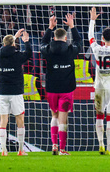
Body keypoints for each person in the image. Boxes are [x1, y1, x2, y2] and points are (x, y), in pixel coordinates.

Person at [87, 7, 110, 155]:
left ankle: (101, 145)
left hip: (99, 87)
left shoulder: (96, 48)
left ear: (102, 38)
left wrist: (92, 20)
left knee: (99, 115)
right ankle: (109, 148)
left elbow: (90, 36)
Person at [41, 13, 81, 155]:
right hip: (66, 89)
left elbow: (42, 43)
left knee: (54, 116)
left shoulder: (47, 50)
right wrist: (72, 26)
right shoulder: (70, 50)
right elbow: (78, 41)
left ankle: (54, 145)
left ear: (54, 37)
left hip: (52, 88)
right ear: (65, 38)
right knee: (63, 118)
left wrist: (49, 28)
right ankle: (63, 148)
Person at [0, 28, 32, 156]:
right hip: (16, 92)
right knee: (20, 119)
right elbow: (28, 53)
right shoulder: (17, 56)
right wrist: (26, 41)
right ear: (14, 44)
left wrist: (13, 39)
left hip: (2, 92)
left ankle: (3, 151)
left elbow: (4, 48)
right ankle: (21, 150)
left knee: (3, 121)